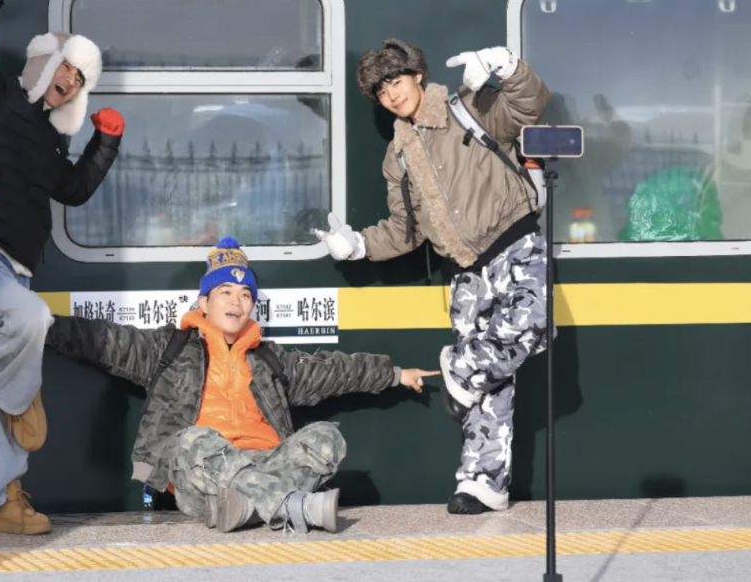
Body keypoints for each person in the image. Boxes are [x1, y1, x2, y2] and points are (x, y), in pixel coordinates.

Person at [45, 236, 439, 534]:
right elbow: (104, 340)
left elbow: (334, 371)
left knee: (326, 439)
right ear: (204, 302)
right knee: (192, 441)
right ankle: (291, 506)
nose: (237, 301)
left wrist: (395, 374)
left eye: (245, 293)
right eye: (226, 292)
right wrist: (40, 323)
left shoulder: (268, 359)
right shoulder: (169, 349)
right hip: (203, 478)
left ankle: (248, 508)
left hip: (264, 462)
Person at [314, 40, 552, 516]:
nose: (391, 95)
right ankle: (482, 482)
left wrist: (507, 66)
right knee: (492, 385)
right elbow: (405, 230)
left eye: (396, 81)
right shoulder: (397, 156)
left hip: (515, 243)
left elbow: (530, 106)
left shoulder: (470, 107)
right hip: (463, 271)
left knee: (532, 322)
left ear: (417, 75)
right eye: (381, 92)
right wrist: (358, 245)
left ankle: (460, 368)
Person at [0, 0, 124, 535]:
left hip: (14, 270)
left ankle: (0, 500)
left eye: (81, 78)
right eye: (66, 66)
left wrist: (105, 142)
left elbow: (73, 189)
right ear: (46, 62)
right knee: (32, 320)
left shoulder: (50, 140)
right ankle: (19, 401)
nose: (71, 79)